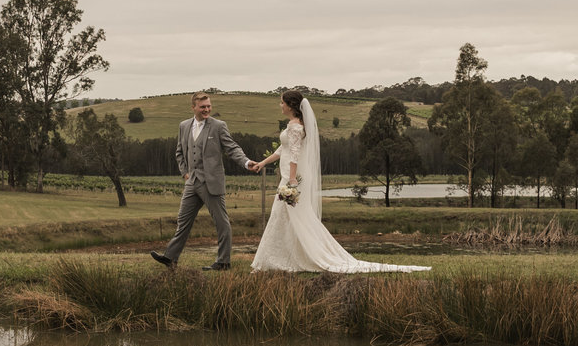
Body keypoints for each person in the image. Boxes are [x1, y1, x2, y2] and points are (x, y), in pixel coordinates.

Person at [251, 90, 428, 274]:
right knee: (284, 216)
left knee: (288, 216)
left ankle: (278, 260)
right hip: (288, 175)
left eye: (282, 103)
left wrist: (292, 179)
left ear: (290, 105)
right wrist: (262, 163)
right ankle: (282, 258)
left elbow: (294, 154)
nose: (280, 106)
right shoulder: (292, 125)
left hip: (292, 177)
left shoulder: (295, 127)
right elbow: (282, 150)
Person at [152, 90, 260, 270]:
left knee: (221, 222)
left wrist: (246, 162)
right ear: (193, 107)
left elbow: (232, 148)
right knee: (183, 221)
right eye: (203, 107)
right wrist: (185, 172)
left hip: (211, 182)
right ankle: (171, 258)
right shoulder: (184, 126)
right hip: (191, 182)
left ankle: (224, 261)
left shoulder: (218, 126)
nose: (207, 109)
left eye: (209, 106)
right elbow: (179, 152)